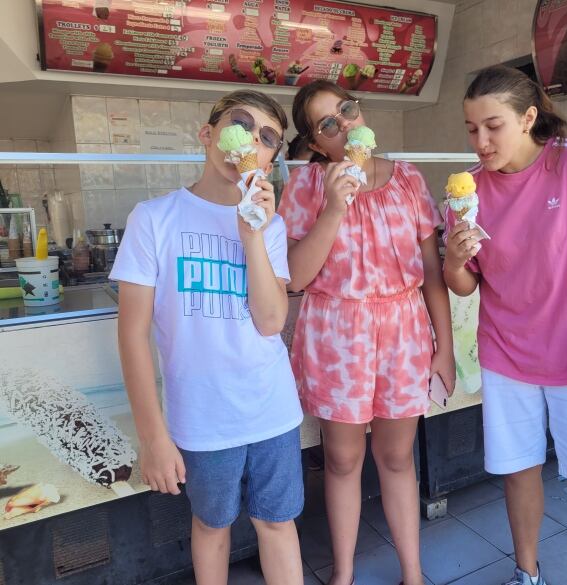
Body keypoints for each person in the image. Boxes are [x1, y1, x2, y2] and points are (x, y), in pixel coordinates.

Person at [443, 65, 567, 585]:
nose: (481, 141)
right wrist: (452, 260)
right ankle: (527, 572)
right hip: (507, 353)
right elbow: (467, 284)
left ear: (529, 117)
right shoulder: (467, 195)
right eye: (471, 129)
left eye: (493, 126)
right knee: (518, 471)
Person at [111, 89, 305, 585]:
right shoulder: (153, 219)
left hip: (272, 410)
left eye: (267, 138)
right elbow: (132, 335)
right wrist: (153, 437)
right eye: (240, 124)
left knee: (278, 523)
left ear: (269, 158)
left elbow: (269, 322)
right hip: (200, 417)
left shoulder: (273, 227)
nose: (250, 140)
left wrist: (253, 235)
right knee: (211, 523)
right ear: (208, 132)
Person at [278, 79, 456, 585]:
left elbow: (433, 274)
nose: (346, 125)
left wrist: (443, 348)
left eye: (348, 111)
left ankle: (413, 574)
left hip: (402, 332)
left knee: (397, 456)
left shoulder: (408, 180)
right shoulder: (307, 186)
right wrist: (334, 205)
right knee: (342, 458)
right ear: (317, 144)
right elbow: (296, 277)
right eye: (328, 124)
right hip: (337, 336)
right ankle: (343, 574)